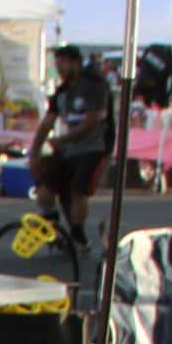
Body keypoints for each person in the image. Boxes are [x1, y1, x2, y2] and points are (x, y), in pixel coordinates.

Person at [28, 43, 110, 250]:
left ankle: (77, 234)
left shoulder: (94, 85)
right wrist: (34, 153)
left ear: (76, 62)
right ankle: (52, 227)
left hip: (94, 147)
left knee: (78, 191)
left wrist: (65, 140)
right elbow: (47, 122)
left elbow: (94, 119)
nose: (60, 67)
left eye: (63, 62)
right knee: (47, 188)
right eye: (57, 63)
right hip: (69, 149)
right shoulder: (63, 91)